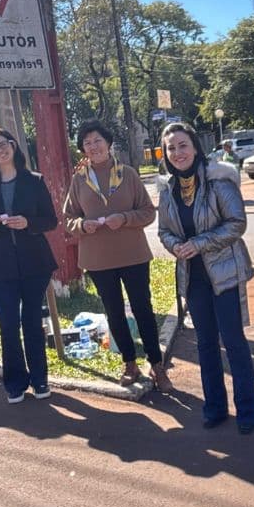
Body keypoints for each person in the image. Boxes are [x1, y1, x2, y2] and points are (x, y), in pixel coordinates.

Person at [157, 122, 254, 434]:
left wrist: (199, 243)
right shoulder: (167, 188)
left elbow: (236, 223)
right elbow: (164, 230)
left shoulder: (217, 179)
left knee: (233, 341)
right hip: (194, 277)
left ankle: (247, 412)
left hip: (224, 273)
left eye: (183, 145)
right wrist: (175, 245)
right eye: (171, 148)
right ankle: (214, 407)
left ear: (195, 146)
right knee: (205, 344)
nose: (177, 153)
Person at [62, 120, 172, 392]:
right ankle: (129, 363)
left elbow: (148, 211)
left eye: (97, 140)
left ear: (108, 143)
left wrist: (123, 218)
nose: (93, 146)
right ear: (83, 149)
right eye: (87, 143)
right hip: (98, 260)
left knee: (143, 309)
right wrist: (81, 225)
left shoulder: (128, 174)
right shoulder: (79, 180)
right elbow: (68, 218)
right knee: (113, 312)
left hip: (132, 255)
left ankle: (157, 366)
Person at [0, 128, 58, 404]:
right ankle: (15, 382)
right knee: (7, 325)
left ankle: (40, 378)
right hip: (1, 267)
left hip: (34, 263)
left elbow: (50, 220)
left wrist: (28, 222)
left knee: (32, 322)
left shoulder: (34, 181)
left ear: (13, 145)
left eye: (3, 144)